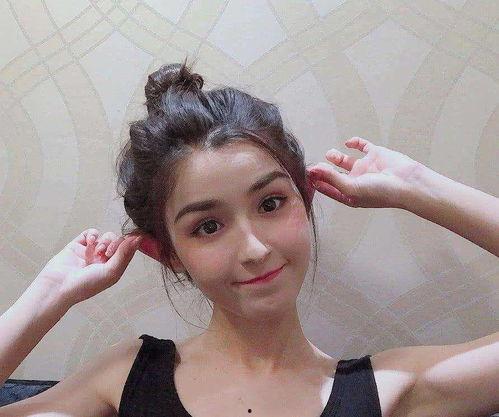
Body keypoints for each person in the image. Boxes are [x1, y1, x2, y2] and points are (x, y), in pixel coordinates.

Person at [0, 58, 498, 417]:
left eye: (271, 203)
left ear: (306, 198)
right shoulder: (127, 379)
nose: (255, 249)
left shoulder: (389, 389)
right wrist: (50, 293)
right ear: (168, 254)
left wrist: (418, 186)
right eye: (208, 226)